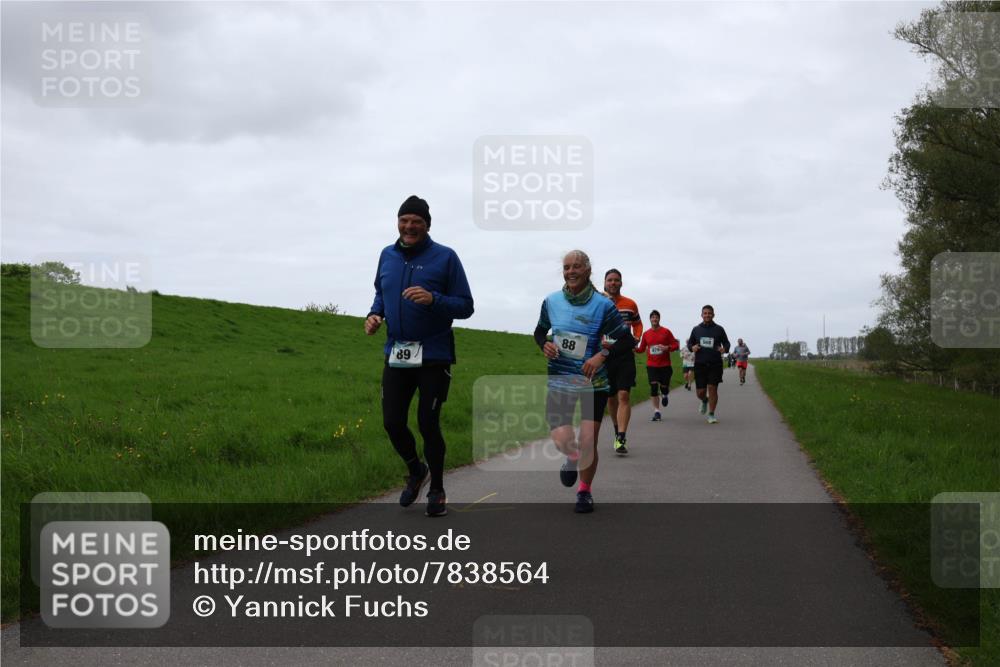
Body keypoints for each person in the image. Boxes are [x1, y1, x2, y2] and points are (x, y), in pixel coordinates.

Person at [366, 195, 474, 517]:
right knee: (392, 423)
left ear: (427, 225)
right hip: (397, 353)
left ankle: (438, 488)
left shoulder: (446, 257)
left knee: (428, 423)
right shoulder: (387, 255)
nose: (409, 226)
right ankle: (416, 470)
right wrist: (375, 315)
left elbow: (466, 306)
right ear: (398, 222)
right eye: (404, 220)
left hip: (434, 355)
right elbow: (380, 293)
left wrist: (433, 299)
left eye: (416, 221)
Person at [535, 250, 633, 513]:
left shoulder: (603, 305)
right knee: (563, 439)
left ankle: (584, 492)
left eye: (576, 266)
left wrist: (602, 356)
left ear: (588, 270)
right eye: (567, 267)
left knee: (588, 440)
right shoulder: (551, 301)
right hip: (560, 379)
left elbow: (624, 338)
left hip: (594, 381)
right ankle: (571, 456)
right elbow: (539, 331)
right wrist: (544, 344)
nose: (571, 272)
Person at [601, 269, 642, 455]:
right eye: (610, 280)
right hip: (605, 355)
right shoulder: (597, 303)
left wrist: (637, 337)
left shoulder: (630, 304)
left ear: (621, 283)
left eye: (617, 280)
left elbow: (638, 323)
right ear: (605, 283)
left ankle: (622, 437)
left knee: (623, 395)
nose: (613, 283)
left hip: (625, 354)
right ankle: (617, 430)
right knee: (611, 398)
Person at [686, 305, 730, 424]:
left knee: (712, 388)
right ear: (701, 315)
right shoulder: (696, 329)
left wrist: (724, 349)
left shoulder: (719, 329)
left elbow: (727, 343)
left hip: (715, 364)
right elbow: (690, 343)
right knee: (700, 392)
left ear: (713, 315)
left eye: (709, 313)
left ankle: (711, 414)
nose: (707, 315)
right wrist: (692, 347)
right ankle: (704, 400)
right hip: (700, 364)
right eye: (705, 313)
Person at [635, 310, 680, 422]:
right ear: (650, 319)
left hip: (665, 365)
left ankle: (664, 394)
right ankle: (657, 411)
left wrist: (667, 348)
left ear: (659, 319)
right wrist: (633, 348)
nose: (654, 319)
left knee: (664, 387)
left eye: (656, 317)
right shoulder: (646, 334)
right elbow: (641, 349)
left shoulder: (666, 332)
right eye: (653, 317)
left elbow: (675, 344)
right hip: (652, 365)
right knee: (653, 387)